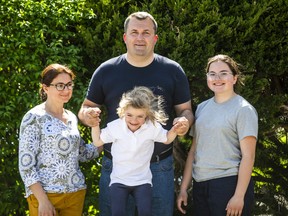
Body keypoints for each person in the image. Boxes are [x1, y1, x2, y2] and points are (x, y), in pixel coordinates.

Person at [78, 11, 194, 216]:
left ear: (155, 38)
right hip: (116, 167)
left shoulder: (173, 70)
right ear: (125, 37)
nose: (140, 38)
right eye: (134, 32)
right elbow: (85, 107)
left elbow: (186, 110)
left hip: (159, 168)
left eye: (146, 32)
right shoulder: (106, 70)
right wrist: (88, 115)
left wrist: (184, 120)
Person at [177, 54, 258, 216]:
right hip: (201, 184)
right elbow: (193, 151)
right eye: (212, 74)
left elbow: (248, 156)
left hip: (228, 184)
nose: (217, 78)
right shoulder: (201, 108)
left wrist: (239, 196)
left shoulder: (243, 109)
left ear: (234, 78)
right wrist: (184, 188)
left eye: (223, 73)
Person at [18, 64, 101, 216]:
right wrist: (43, 201)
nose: (66, 90)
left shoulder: (71, 117)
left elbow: (82, 153)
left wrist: (111, 137)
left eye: (69, 85)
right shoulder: (33, 117)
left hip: (75, 194)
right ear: (45, 88)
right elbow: (26, 166)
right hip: (45, 197)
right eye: (60, 85)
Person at [91, 86, 183, 216]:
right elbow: (97, 141)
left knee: (145, 212)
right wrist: (95, 125)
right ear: (123, 112)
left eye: (140, 116)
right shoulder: (116, 126)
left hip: (142, 181)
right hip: (119, 180)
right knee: (117, 213)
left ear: (147, 115)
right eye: (129, 115)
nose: (134, 120)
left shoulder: (152, 127)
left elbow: (167, 139)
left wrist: (175, 130)